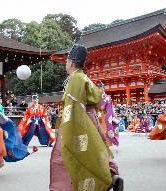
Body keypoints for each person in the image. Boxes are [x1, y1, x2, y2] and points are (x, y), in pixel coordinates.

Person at [49, 44, 123, 191]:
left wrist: (68, 130)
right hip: (90, 119)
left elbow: (72, 106)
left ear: (72, 62)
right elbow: (99, 101)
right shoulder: (84, 77)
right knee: (94, 154)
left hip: (79, 121)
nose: (66, 64)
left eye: (67, 61)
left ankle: (103, 182)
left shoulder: (75, 78)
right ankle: (110, 177)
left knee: (64, 157)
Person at [98, 81, 120, 147]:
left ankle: (106, 144)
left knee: (105, 129)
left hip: (106, 114)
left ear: (103, 89)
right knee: (99, 129)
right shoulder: (99, 97)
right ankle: (101, 144)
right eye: (98, 88)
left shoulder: (107, 97)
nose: (99, 90)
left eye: (100, 88)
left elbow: (102, 107)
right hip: (100, 115)